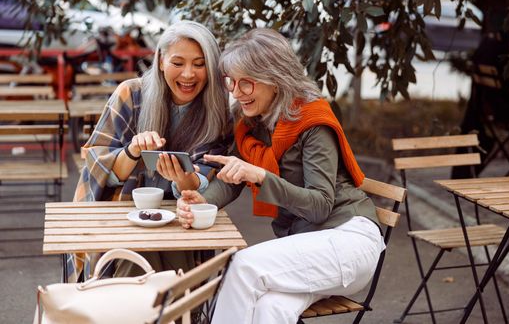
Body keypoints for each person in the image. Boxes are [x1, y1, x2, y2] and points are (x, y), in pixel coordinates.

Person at [176, 28, 384, 324]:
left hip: (347, 241)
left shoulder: (311, 121)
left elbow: (321, 205)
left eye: (246, 83)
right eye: (231, 82)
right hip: (308, 249)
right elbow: (233, 178)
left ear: (274, 77)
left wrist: (261, 176)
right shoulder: (252, 123)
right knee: (270, 309)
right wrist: (203, 201)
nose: (236, 92)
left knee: (242, 266)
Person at [71, 20, 231, 281]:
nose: (188, 74)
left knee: (177, 277)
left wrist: (183, 179)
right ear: (160, 61)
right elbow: (97, 166)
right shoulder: (131, 94)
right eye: (177, 63)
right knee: (133, 264)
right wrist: (132, 151)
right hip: (120, 214)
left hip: (181, 220)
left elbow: (205, 176)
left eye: (199, 64)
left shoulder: (217, 112)